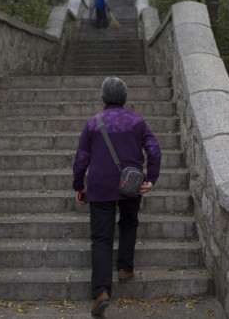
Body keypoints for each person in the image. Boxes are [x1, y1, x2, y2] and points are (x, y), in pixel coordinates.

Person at [72, 77, 161, 316]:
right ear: (126, 98)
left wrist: (79, 185)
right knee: (129, 224)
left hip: (100, 187)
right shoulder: (137, 121)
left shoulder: (93, 123)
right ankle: (125, 269)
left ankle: (101, 292)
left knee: (101, 239)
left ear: (102, 99)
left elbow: (81, 158)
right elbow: (154, 149)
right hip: (130, 185)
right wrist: (151, 178)